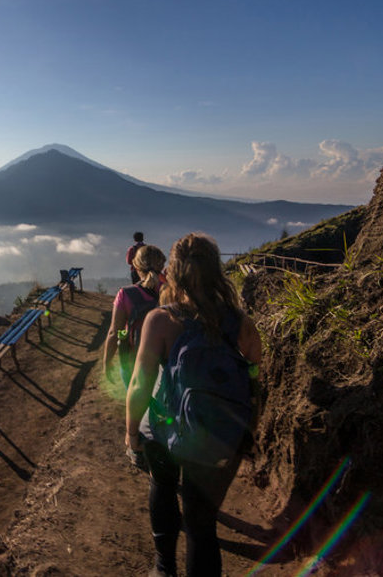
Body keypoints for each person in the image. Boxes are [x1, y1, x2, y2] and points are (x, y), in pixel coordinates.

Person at [126, 233, 262, 577]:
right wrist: (246, 431)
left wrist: (132, 435)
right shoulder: (242, 324)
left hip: (163, 428)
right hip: (217, 437)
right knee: (202, 524)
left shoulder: (160, 320)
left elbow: (140, 384)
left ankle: (164, 568)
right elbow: (255, 382)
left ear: (172, 273)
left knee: (163, 487)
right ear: (216, 271)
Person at [103, 245, 166, 388]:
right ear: (162, 265)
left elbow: (114, 332)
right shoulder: (172, 291)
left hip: (135, 361)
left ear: (136, 267)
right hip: (166, 359)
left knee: (137, 404)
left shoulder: (126, 294)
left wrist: (107, 363)